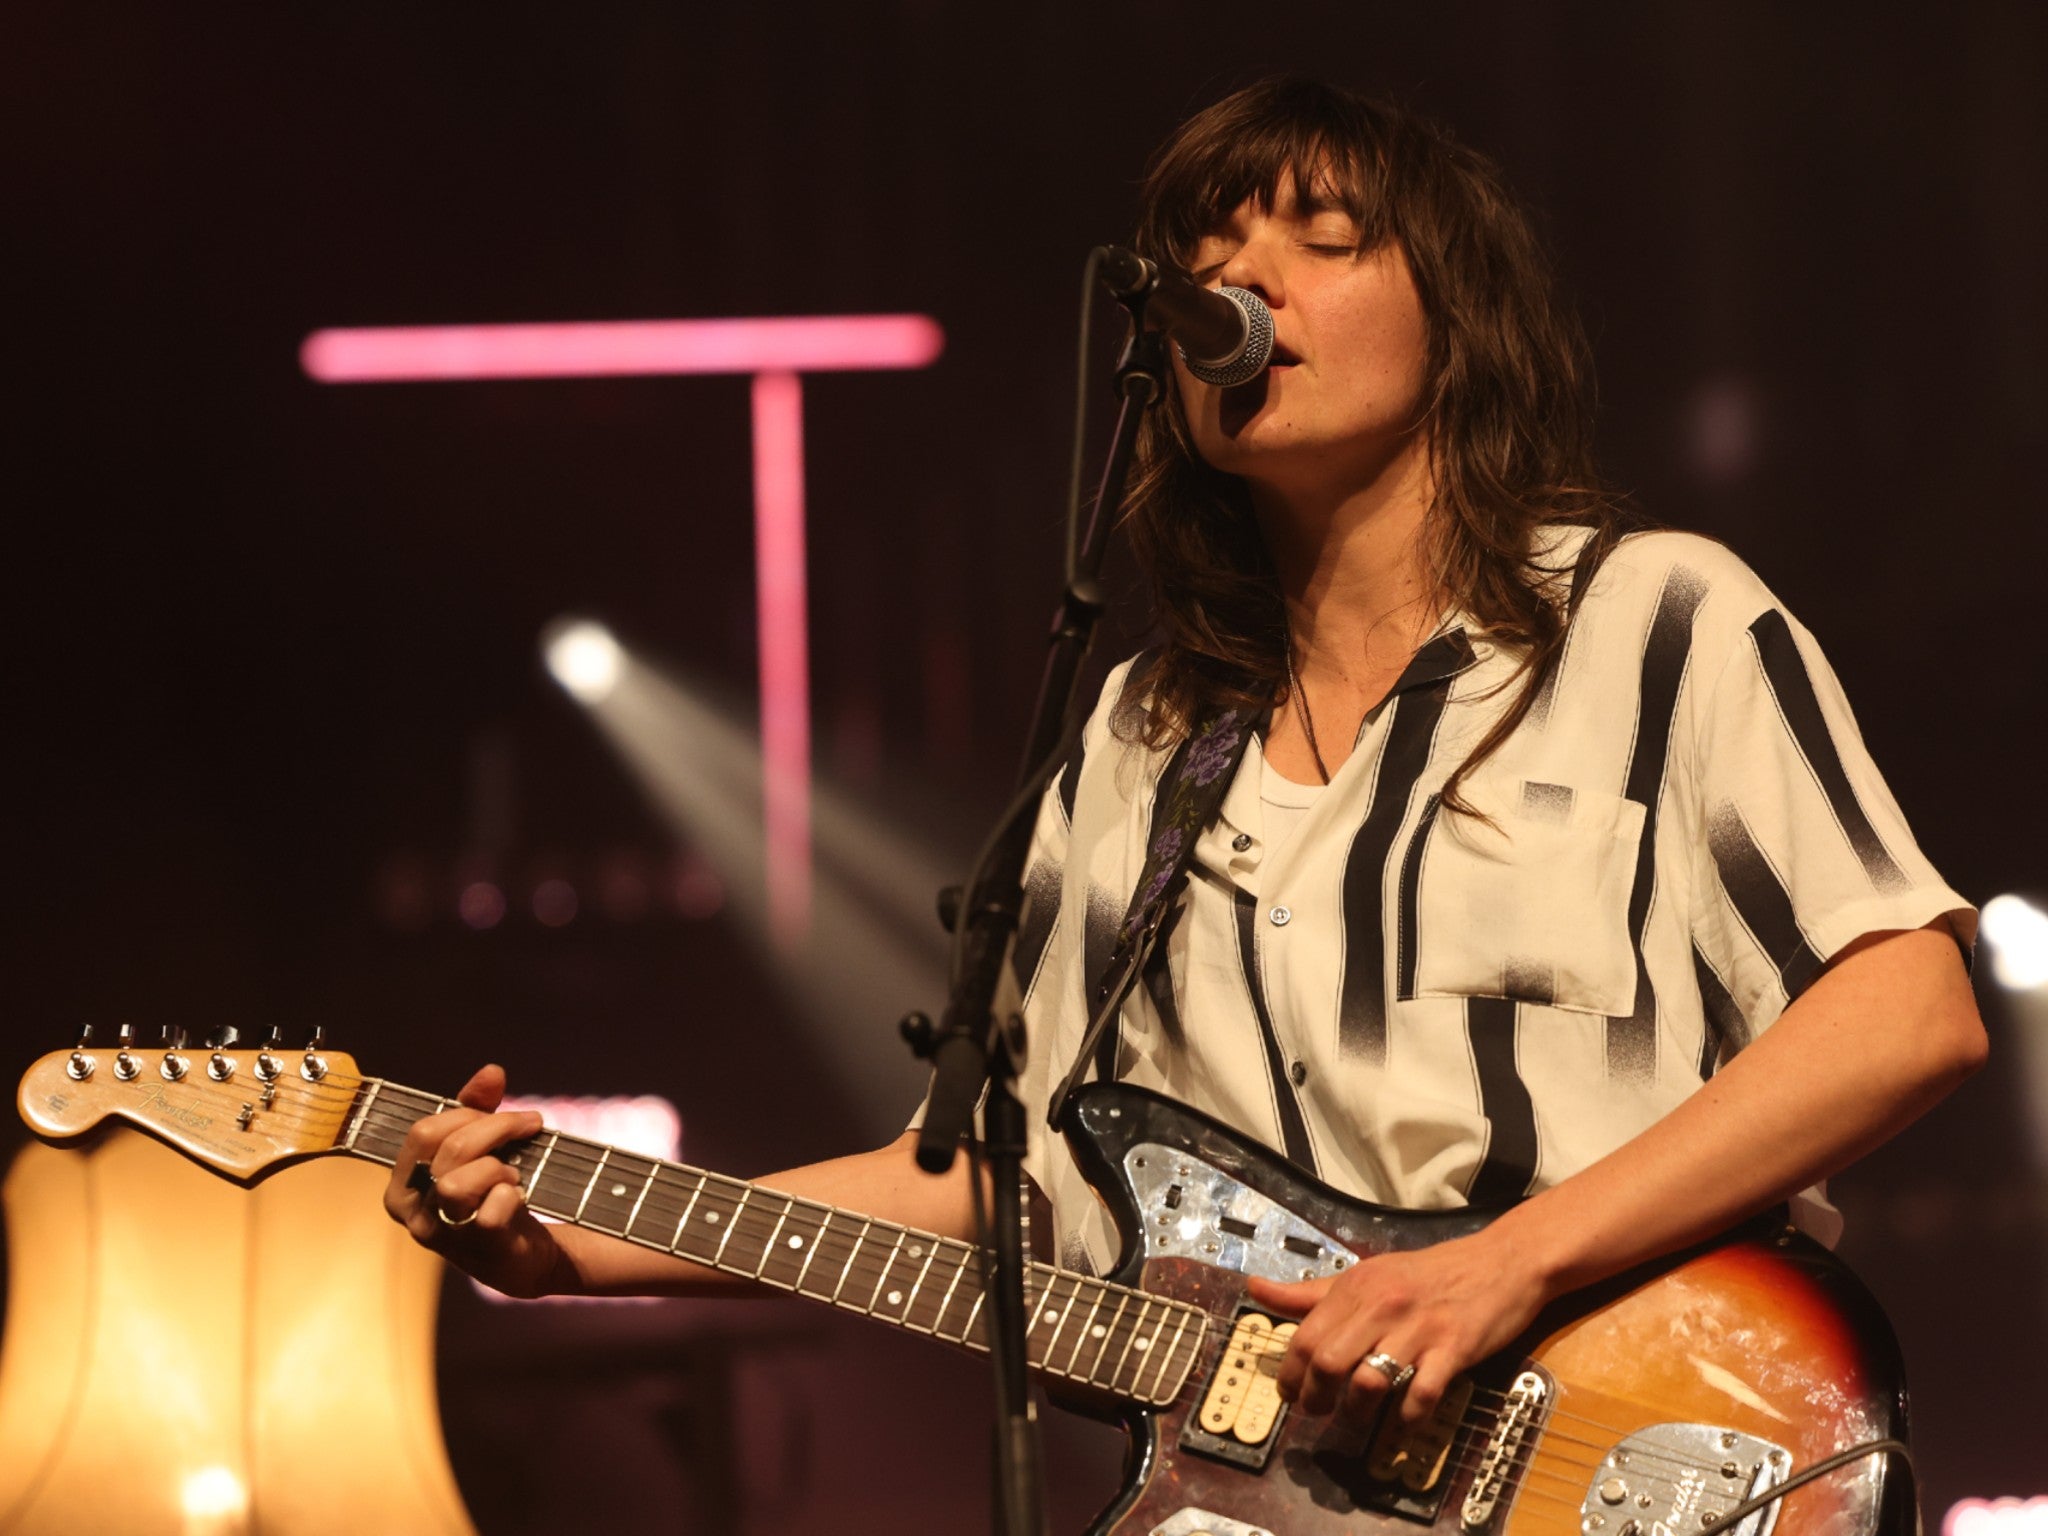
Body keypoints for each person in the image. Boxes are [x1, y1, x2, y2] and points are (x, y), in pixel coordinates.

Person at [384, 78, 1985, 1436]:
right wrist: (588, 1245)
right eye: (1210, 249)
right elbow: (1008, 1193)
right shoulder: (1149, 731)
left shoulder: (1654, 623)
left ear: (1460, 313)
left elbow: (1908, 1010)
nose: (1242, 277)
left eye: (1322, 239)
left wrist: (1511, 1263)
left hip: (1652, 1435)